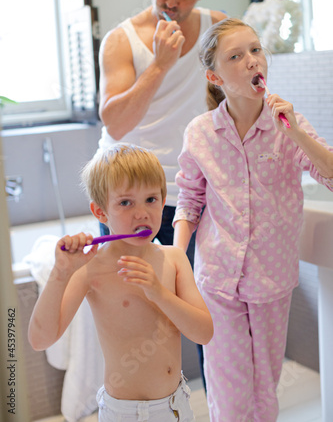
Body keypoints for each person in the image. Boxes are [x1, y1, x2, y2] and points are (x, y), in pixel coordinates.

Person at [173, 18, 333, 422]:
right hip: (218, 281)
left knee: (265, 390)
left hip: (272, 279)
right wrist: (177, 259)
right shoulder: (200, 133)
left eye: (256, 50)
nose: (251, 61)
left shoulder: (288, 129)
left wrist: (295, 132)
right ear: (214, 76)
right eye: (236, 56)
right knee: (228, 394)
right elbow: (189, 201)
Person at [97, 0, 227, 385]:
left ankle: (218, 410)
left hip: (192, 196)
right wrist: (159, 64)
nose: (170, 1)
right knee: (134, 314)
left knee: (206, 312)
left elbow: (237, 102)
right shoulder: (121, 40)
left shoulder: (217, 29)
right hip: (131, 195)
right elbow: (114, 122)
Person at [28, 143, 213, 422]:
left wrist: (159, 294)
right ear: (101, 212)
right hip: (122, 413)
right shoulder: (90, 269)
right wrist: (61, 273)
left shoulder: (174, 259)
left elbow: (204, 333)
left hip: (175, 407)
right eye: (126, 202)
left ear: (164, 201)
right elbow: (40, 339)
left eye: (151, 199)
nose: (141, 213)